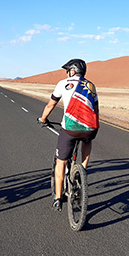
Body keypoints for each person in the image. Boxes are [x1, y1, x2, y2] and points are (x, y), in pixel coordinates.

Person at [38, 59, 99, 211]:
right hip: (90, 128)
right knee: (87, 140)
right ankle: (83, 169)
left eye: (67, 70)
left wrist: (43, 119)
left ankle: (58, 198)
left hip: (70, 129)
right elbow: (96, 109)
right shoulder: (91, 85)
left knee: (61, 163)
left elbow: (51, 104)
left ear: (72, 71)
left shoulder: (62, 84)